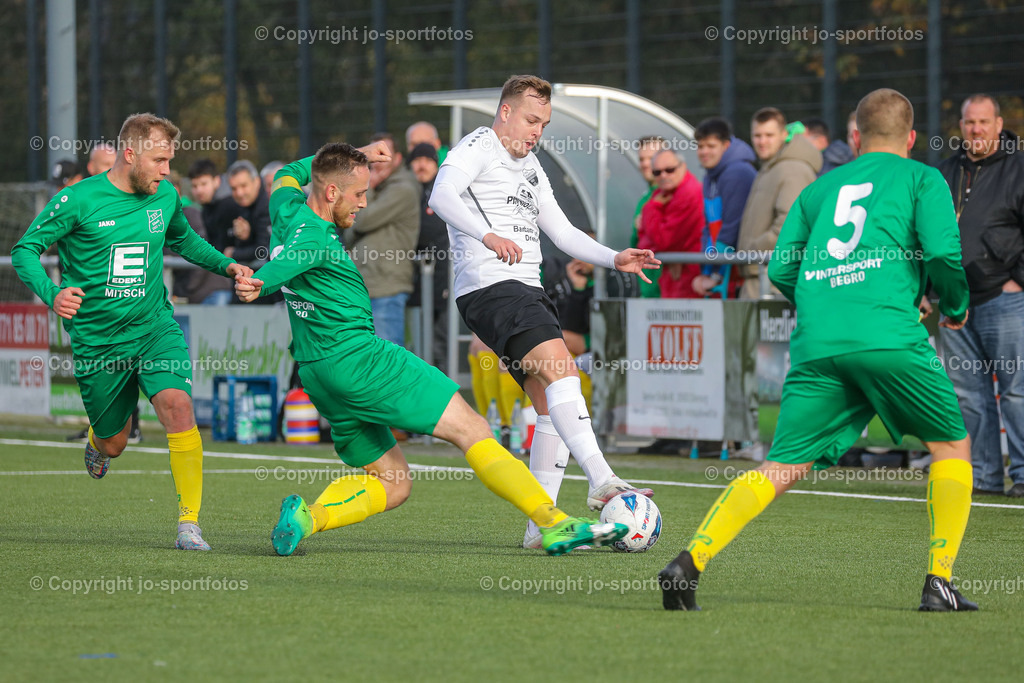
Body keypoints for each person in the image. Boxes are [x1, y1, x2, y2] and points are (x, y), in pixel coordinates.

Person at [659, 88, 977, 612]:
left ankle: (690, 560)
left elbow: (782, 268)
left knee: (781, 465)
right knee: (950, 446)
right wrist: (954, 305)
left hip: (817, 343)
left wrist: (825, 301)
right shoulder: (924, 178)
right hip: (888, 336)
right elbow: (943, 252)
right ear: (912, 138)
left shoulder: (819, 188)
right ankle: (938, 582)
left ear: (855, 137)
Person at [233, 142, 628, 557]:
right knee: (473, 430)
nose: (364, 203)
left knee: (393, 482)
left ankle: (307, 518)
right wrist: (260, 282)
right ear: (331, 192)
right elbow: (292, 261)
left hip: (317, 373)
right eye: (359, 194)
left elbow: (288, 175)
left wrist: (357, 154)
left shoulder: (285, 208)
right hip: (361, 360)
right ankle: (553, 523)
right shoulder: (314, 237)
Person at [427, 74, 661, 548]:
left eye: (544, 124)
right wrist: (487, 235)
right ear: (506, 112)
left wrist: (614, 257)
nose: (537, 131)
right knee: (563, 371)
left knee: (548, 404)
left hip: (522, 291)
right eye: (531, 120)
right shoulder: (479, 145)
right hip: (495, 286)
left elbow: (563, 231)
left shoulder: (531, 165)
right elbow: (441, 195)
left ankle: (541, 525)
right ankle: (602, 480)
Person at [12, 113, 252, 550]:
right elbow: (25, 249)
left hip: (154, 327)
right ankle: (97, 439)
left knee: (178, 405)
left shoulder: (165, 196)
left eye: (169, 161)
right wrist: (52, 293)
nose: (166, 171)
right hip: (99, 342)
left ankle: (189, 524)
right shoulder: (78, 200)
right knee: (115, 442)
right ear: (129, 154)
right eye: (159, 161)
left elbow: (184, 240)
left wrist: (227, 265)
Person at [937, 93, 1024, 497]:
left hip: (1005, 298)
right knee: (969, 396)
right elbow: (927, 236)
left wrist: (1018, 280)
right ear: (961, 125)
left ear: (999, 124)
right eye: (970, 122)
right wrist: (929, 290)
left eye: (984, 122)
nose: (976, 129)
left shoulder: (1019, 168)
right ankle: (984, 477)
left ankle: (1022, 476)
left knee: (1016, 391)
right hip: (954, 302)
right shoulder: (944, 171)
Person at [736, 107, 822, 299]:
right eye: (757, 135)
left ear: (784, 135)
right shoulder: (770, 167)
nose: (762, 141)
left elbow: (789, 227)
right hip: (759, 276)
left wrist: (751, 249)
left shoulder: (792, 169)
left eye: (769, 135)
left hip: (773, 280)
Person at [348, 133, 421, 346]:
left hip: (386, 287)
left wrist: (366, 187)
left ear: (397, 159)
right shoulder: (378, 187)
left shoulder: (403, 188)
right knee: (362, 357)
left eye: (383, 155)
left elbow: (361, 220)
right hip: (364, 285)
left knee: (386, 358)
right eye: (373, 156)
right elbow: (348, 228)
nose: (377, 162)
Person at [690, 117, 757, 298]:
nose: (704, 151)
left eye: (711, 146)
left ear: (726, 146)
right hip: (721, 266)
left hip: (736, 272)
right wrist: (706, 269)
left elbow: (732, 228)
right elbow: (709, 227)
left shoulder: (738, 172)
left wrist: (715, 275)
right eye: (700, 146)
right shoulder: (709, 176)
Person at [408, 142, 450, 372]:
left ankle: (445, 387)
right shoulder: (411, 190)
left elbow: (428, 229)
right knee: (419, 343)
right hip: (418, 282)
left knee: (439, 343)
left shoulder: (442, 190)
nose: (422, 165)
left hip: (442, 280)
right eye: (417, 160)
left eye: (427, 160)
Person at [639, 149, 704, 298]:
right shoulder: (661, 193)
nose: (663, 176)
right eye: (657, 172)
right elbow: (643, 242)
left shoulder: (689, 193)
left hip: (688, 279)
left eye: (670, 170)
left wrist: (651, 208)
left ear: (683, 166)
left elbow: (663, 240)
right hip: (674, 280)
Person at [629, 135, 668, 298]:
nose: (645, 164)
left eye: (651, 158)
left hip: (670, 293)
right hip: (648, 291)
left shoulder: (676, 195)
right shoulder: (645, 197)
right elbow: (635, 242)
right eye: (641, 159)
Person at [225, 160, 272, 266]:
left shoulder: (267, 204)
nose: (239, 193)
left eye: (243, 186)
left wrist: (233, 253)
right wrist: (245, 237)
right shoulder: (237, 205)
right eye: (234, 188)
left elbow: (263, 251)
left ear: (257, 182)